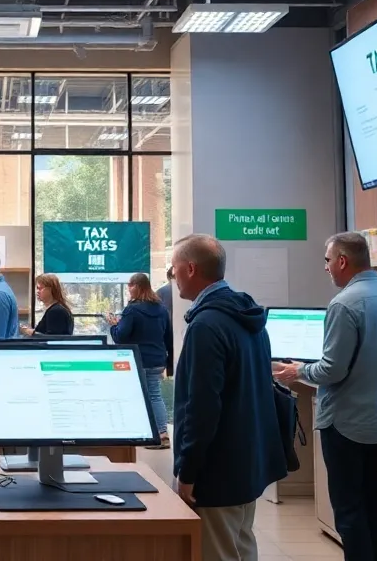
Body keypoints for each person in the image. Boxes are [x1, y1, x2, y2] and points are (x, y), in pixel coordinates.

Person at [273, 233, 377, 561]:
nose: (325, 267)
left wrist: (298, 371)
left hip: (345, 422)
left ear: (342, 261)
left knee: (349, 509)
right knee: (371, 501)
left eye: (327, 260)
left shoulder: (344, 304)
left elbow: (332, 370)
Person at [172, 234, 286, 561]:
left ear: (190, 269)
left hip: (217, 469)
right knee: (242, 545)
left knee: (217, 551)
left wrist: (188, 472)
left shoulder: (206, 325)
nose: (173, 277)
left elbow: (202, 408)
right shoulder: (248, 315)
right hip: (247, 462)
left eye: (174, 269)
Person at [108, 272, 171, 447]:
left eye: (130, 285)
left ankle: (140, 433)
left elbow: (121, 337)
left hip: (138, 359)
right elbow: (167, 335)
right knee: (155, 395)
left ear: (137, 287)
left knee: (137, 396)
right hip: (157, 359)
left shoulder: (132, 310)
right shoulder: (161, 309)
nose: (128, 289)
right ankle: (162, 433)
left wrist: (114, 326)